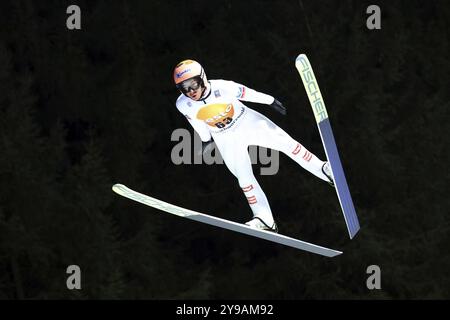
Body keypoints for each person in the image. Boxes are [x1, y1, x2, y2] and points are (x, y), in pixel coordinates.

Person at [173, 59, 333, 233]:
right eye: (184, 87)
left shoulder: (223, 87)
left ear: (202, 78)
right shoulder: (183, 104)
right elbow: (197, 122)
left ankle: (323, 169)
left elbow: (247, 93)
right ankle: (264, 218)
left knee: (288, 145)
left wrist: (269, 100)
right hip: (225, 139)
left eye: (193, 84)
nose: (190, 91)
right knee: (244, 179)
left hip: (248, 123)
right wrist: (206, 139)